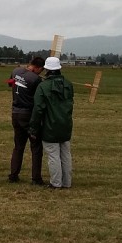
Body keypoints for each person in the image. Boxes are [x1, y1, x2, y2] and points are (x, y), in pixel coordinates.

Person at [29, 57, 74, 189]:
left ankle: (56, 183)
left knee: (53, 155)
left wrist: (33, 128)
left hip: (50, 127)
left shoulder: (43, 86)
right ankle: (67, 182)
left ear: (47, 70)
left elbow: (38, 109)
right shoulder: (68, 84)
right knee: (65, 154)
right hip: (66, 124)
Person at [8, 55, 45, 185]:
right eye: (41, 70)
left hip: (15, 113)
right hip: (28, 115)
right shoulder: (36, 79)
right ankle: (36, 178)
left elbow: (10, 83)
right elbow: (40, 97)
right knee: (36, 147)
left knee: (18, 146)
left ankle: (13, 175)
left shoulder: (16, 71)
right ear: (38, 68)